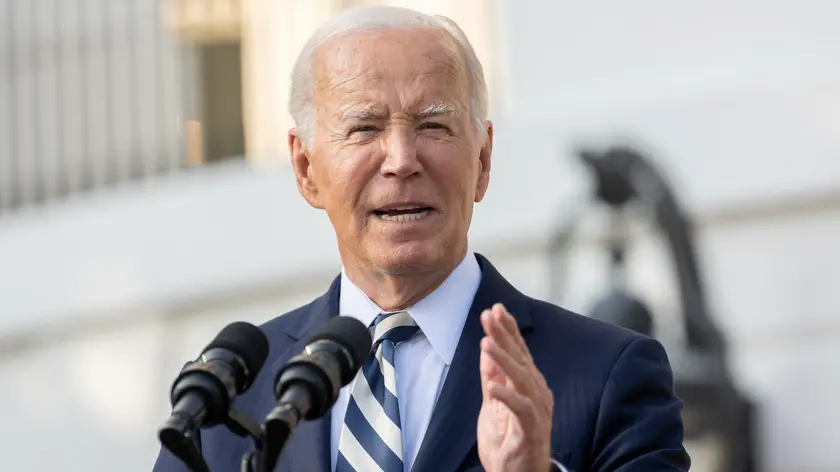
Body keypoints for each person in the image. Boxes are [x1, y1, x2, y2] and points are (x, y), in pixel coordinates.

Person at [152, 5, 690, 472]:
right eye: (364, 128)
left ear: (482, 160)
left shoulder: (605, 374)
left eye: (433, 126)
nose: (403, 160)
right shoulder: (226, 396)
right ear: (305, 167)